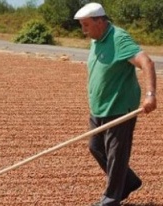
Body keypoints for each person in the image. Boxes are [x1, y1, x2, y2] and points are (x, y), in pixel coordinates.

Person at [74, 2, 157, 206]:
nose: (84, 30)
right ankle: (128, 182)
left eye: (86, 25)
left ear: (100, 21)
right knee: (95, 147)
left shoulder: (119, 38)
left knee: (115, 155)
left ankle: (111, 200)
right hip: (99, 108)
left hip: (119, 108)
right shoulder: (96, 39)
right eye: (81, 25)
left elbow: (147, 62)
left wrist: (150, 94)